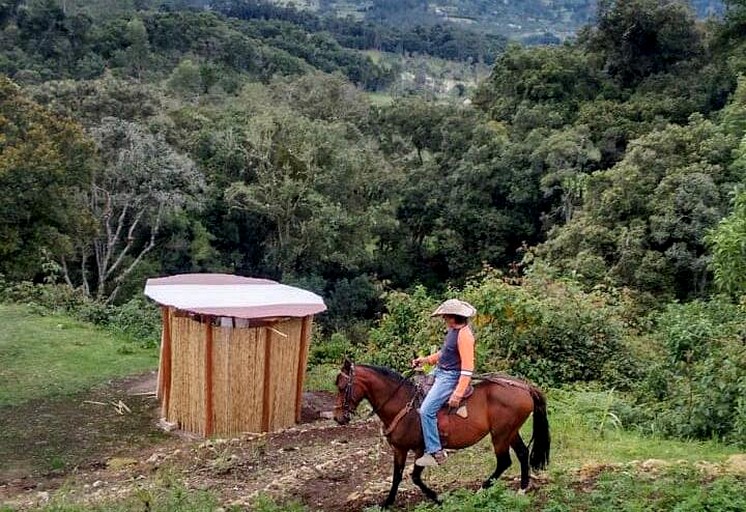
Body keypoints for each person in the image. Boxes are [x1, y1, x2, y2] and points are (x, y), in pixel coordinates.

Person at [411, 298, 476, 467]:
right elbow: (444, 353)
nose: (444, 319)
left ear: (454, 317)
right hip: (440, 371)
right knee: (416, 390)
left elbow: (468, 367)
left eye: (445, 316)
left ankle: (435, 451)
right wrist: (425, 360)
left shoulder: (464, 336)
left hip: (450, 376)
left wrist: (458, 393)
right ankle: (427, 432)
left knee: (426, 410)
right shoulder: (453, 331)